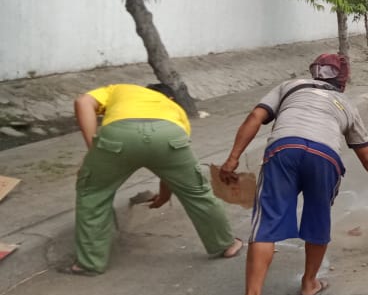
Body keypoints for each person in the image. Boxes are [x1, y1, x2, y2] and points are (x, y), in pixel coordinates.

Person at [217, 54, 368, 295]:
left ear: (313, 73)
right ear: (342, 81)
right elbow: (367, 156)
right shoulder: (347, 106)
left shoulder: (290, 86)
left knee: (267, 224)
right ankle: (309, 283)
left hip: (283, 149)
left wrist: (232, 159)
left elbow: (256, 117)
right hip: (324, 157)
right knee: (318, 219)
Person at [63, 83, 242, 275]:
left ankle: (89, 263)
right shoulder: (175, 109)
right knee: (197, 192)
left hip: (118, 134)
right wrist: (164, 196)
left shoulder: (119, 89)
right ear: (169, 98)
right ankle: (225, 245)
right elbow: (172, 171)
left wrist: (94, 151)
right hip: (168, 133)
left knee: (93, 193)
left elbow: (82, 102)